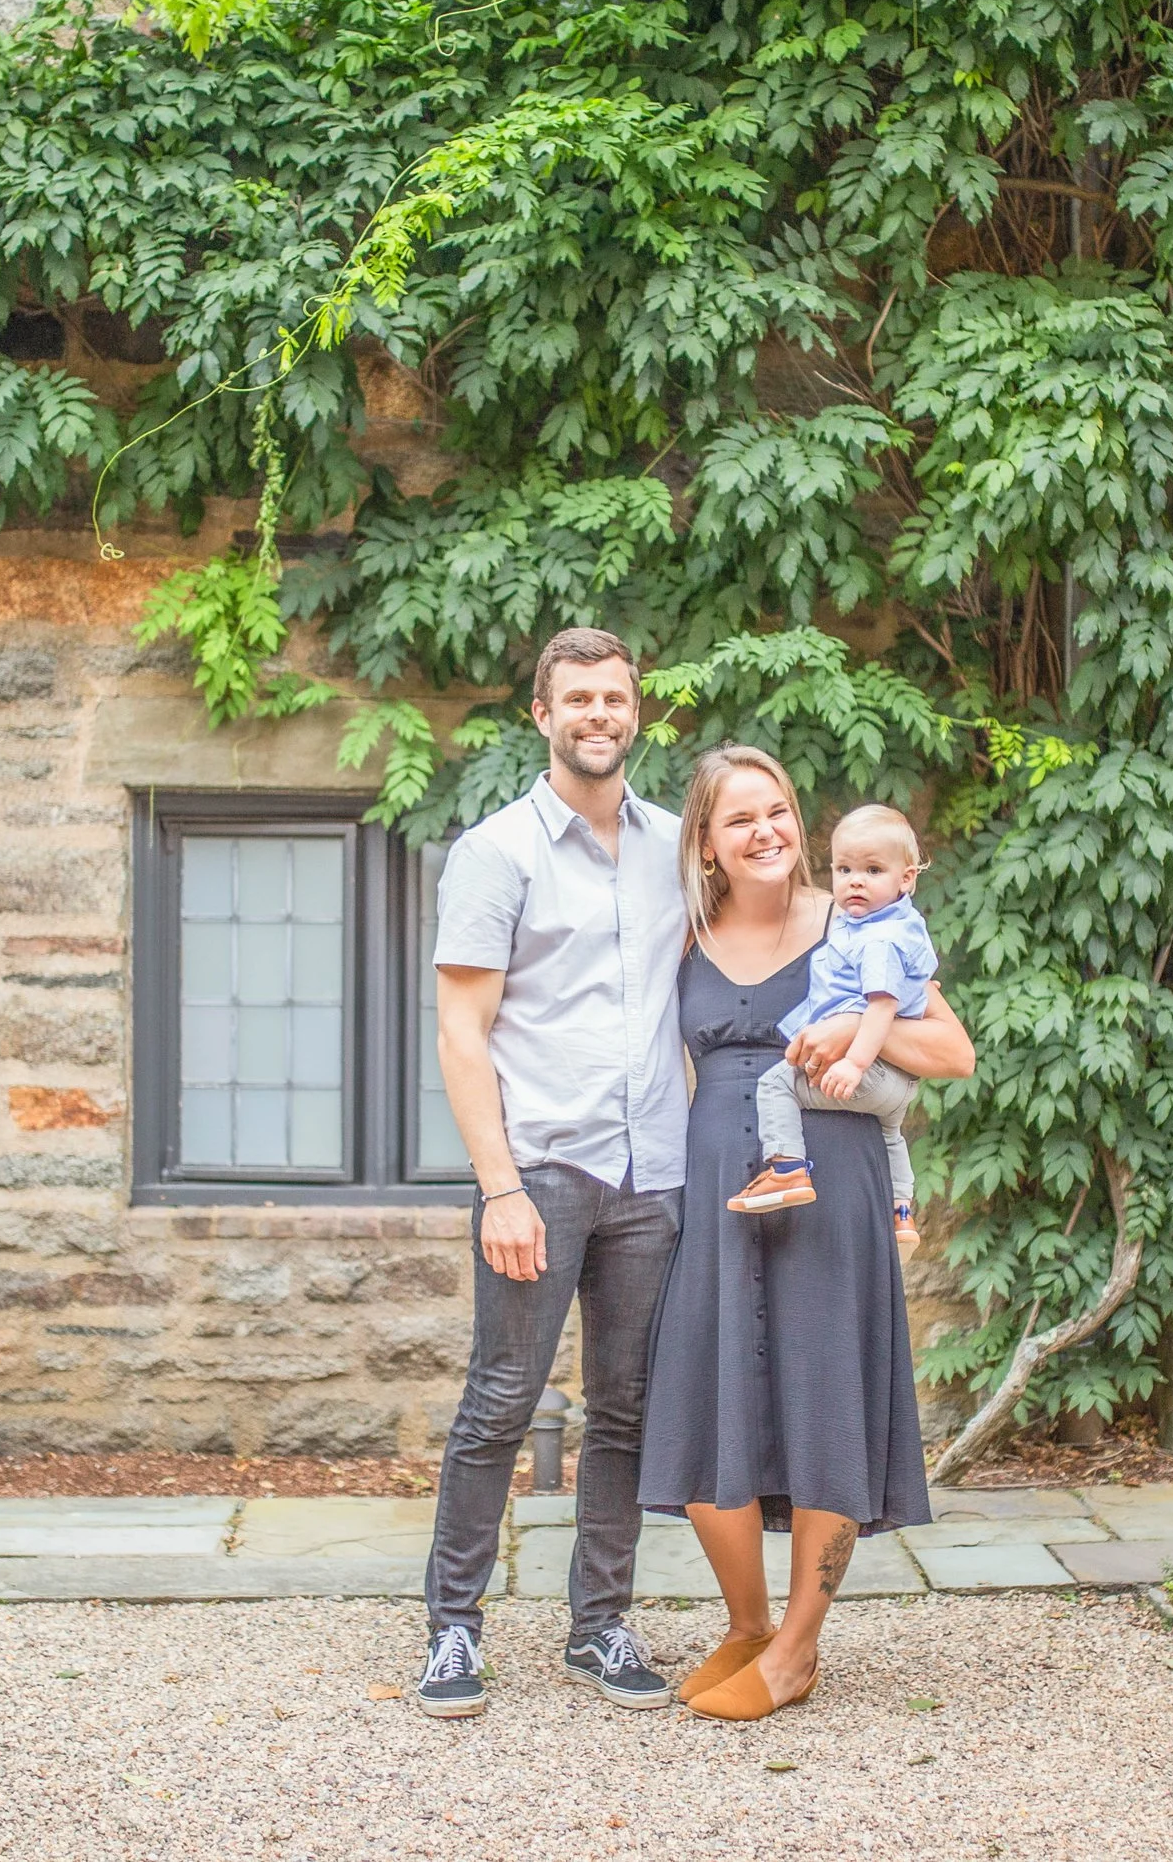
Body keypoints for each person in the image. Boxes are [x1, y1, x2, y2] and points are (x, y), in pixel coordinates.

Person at [639, 744, 976, 1723]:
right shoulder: (685, 939)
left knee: (825, 1400)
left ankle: (796, 1649)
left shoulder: (853, 919)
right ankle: (745, 1625)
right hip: (717, 1194)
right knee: (704, 1397)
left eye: (779, 810)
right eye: (741, 818)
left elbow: (950, 1052)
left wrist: (840, 1036)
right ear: (706, 843)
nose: (767, 831)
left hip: (831, 1191)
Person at [413, 626, 688, 1719]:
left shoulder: (677, 848)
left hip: (652, 1176)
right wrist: (500, 1187)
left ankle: (600, 1627)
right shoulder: (497, 853)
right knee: (499, 1401)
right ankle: (451, 1630)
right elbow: (461, 1029)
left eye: (614, 698)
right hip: (544, 1172)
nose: (597, 715)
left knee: (624, 1411)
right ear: (541, 714)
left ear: (636, 712)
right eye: (576, 698)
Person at [729, 803, 937, 1257]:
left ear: (907, 879)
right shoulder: (893, 926)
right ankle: (901, 1210)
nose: (855, 881)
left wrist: (855, 1062)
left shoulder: (877, 941)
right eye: (844, 869)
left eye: (873, 869)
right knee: (891, 1135)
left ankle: (786, 1168)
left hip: (871, 1066)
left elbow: (881, 1008)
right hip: (899, 1083)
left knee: (776, 1083)